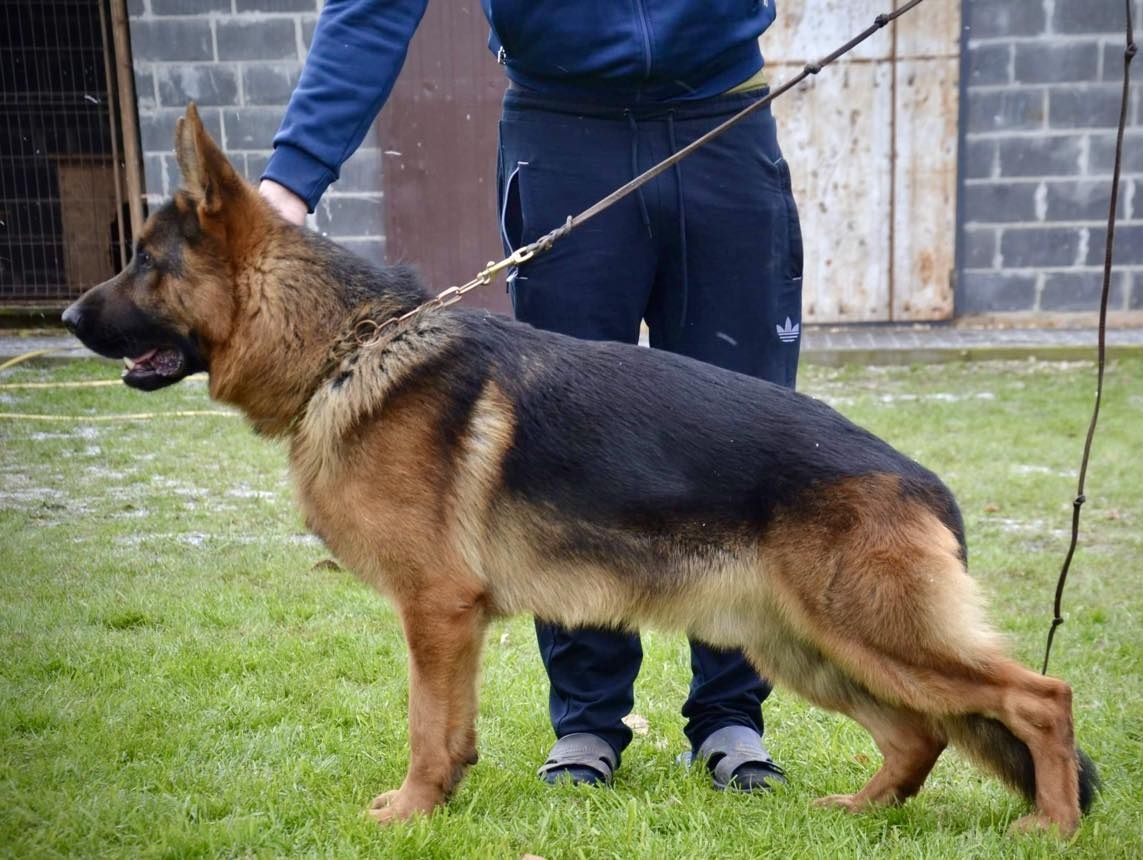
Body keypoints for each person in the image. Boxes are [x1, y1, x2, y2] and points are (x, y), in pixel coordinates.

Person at [259, 0, 804, 792]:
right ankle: (587, 724)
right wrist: (292, 178)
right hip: (562, 130)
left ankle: (730, 717)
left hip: (722, 111)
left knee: (746, 431)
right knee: (562, 447)